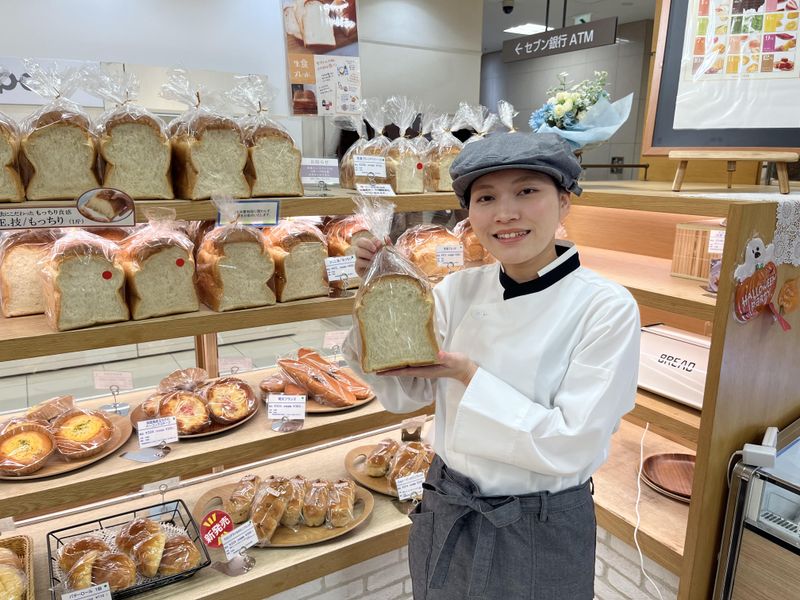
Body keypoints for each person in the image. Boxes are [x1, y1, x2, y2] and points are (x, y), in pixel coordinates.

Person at [346, 132, 640, 599]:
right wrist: (381, 295)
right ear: (469, 214)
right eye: (486, 198)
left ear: (564, 203)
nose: (505, 213)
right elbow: (406, 394)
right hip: (450, 506)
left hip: (541, 524)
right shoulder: (456, 290)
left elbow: (572, 444)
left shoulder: (606, 307)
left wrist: (468, 376)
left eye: (527, 191)